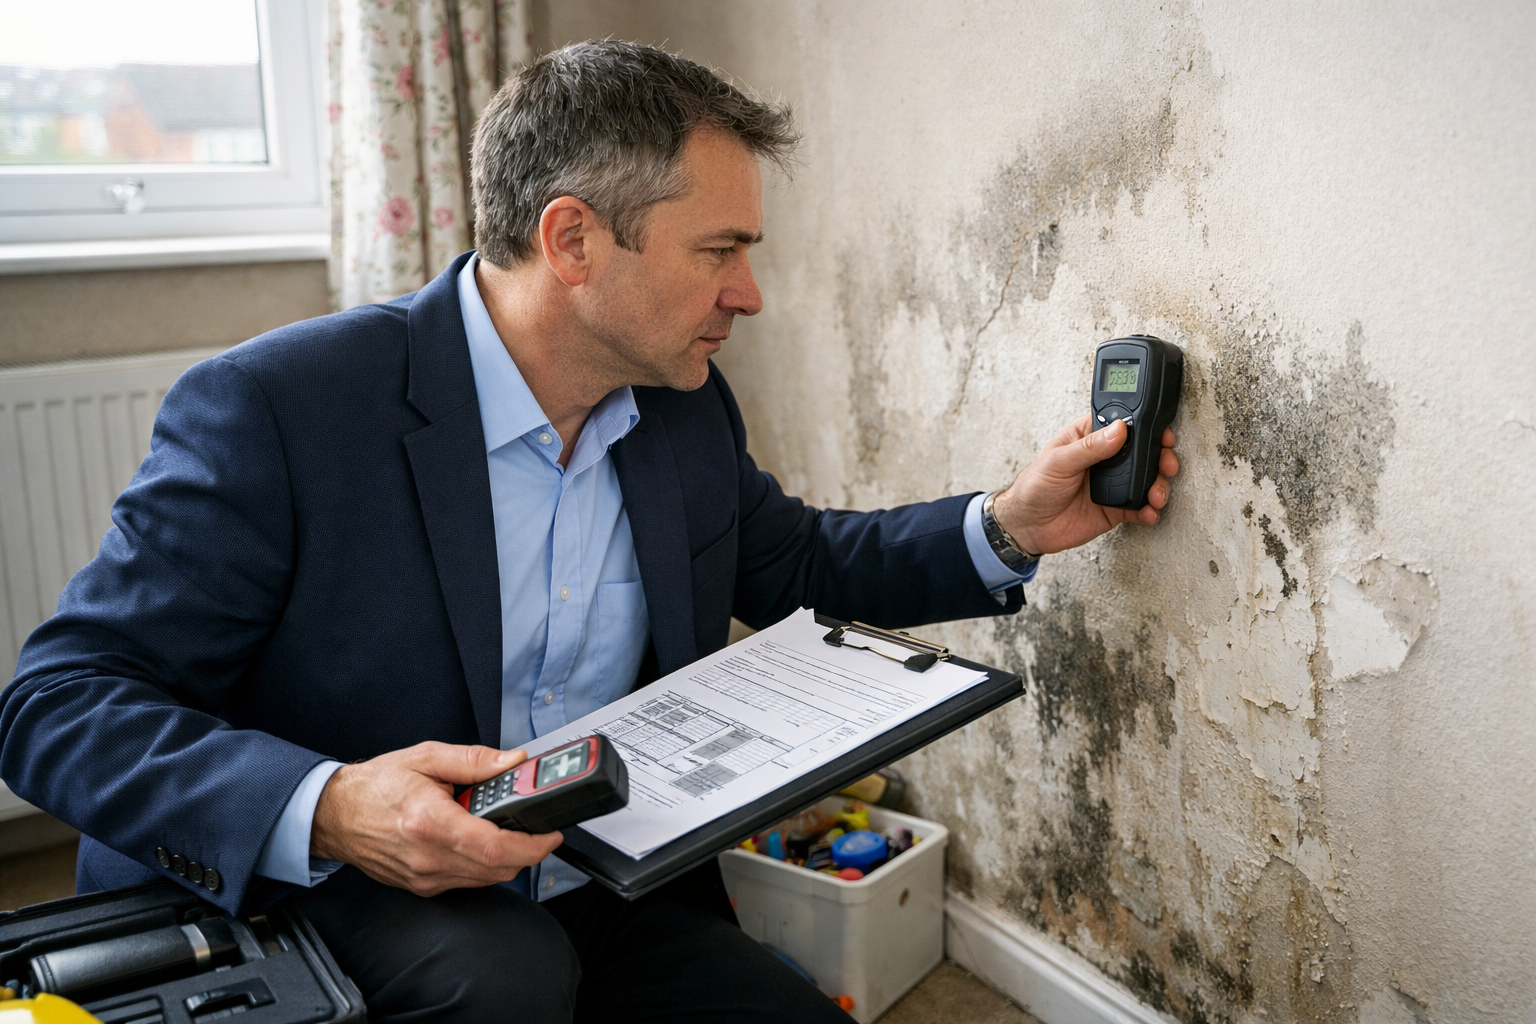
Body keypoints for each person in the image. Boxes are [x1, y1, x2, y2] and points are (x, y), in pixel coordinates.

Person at [0, 40, 1177, 1024]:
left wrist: (1011, 525)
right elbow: (59, 702)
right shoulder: (279, 407)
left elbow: (798, 563)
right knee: (500, 980)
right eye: (721, 250)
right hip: (320, 881)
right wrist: (333, 804)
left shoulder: (682, 409)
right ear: (572, 241)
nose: (749, 294)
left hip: (597, 877)